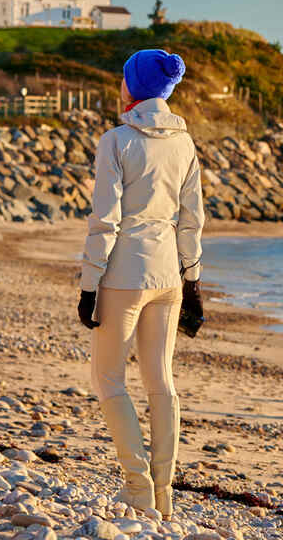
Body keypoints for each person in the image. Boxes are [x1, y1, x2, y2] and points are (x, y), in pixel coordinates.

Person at [76, 49, 205, 518]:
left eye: (123, 80)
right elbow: (192, 220)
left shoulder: (116, 141)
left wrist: (90, 283)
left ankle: (138, 487)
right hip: (169, 272)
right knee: (161, 381)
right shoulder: (185, 143)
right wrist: (193, 282)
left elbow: (104, 220)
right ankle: (165, 493)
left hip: (125, 275)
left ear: (133, 88)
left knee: (108, 378)